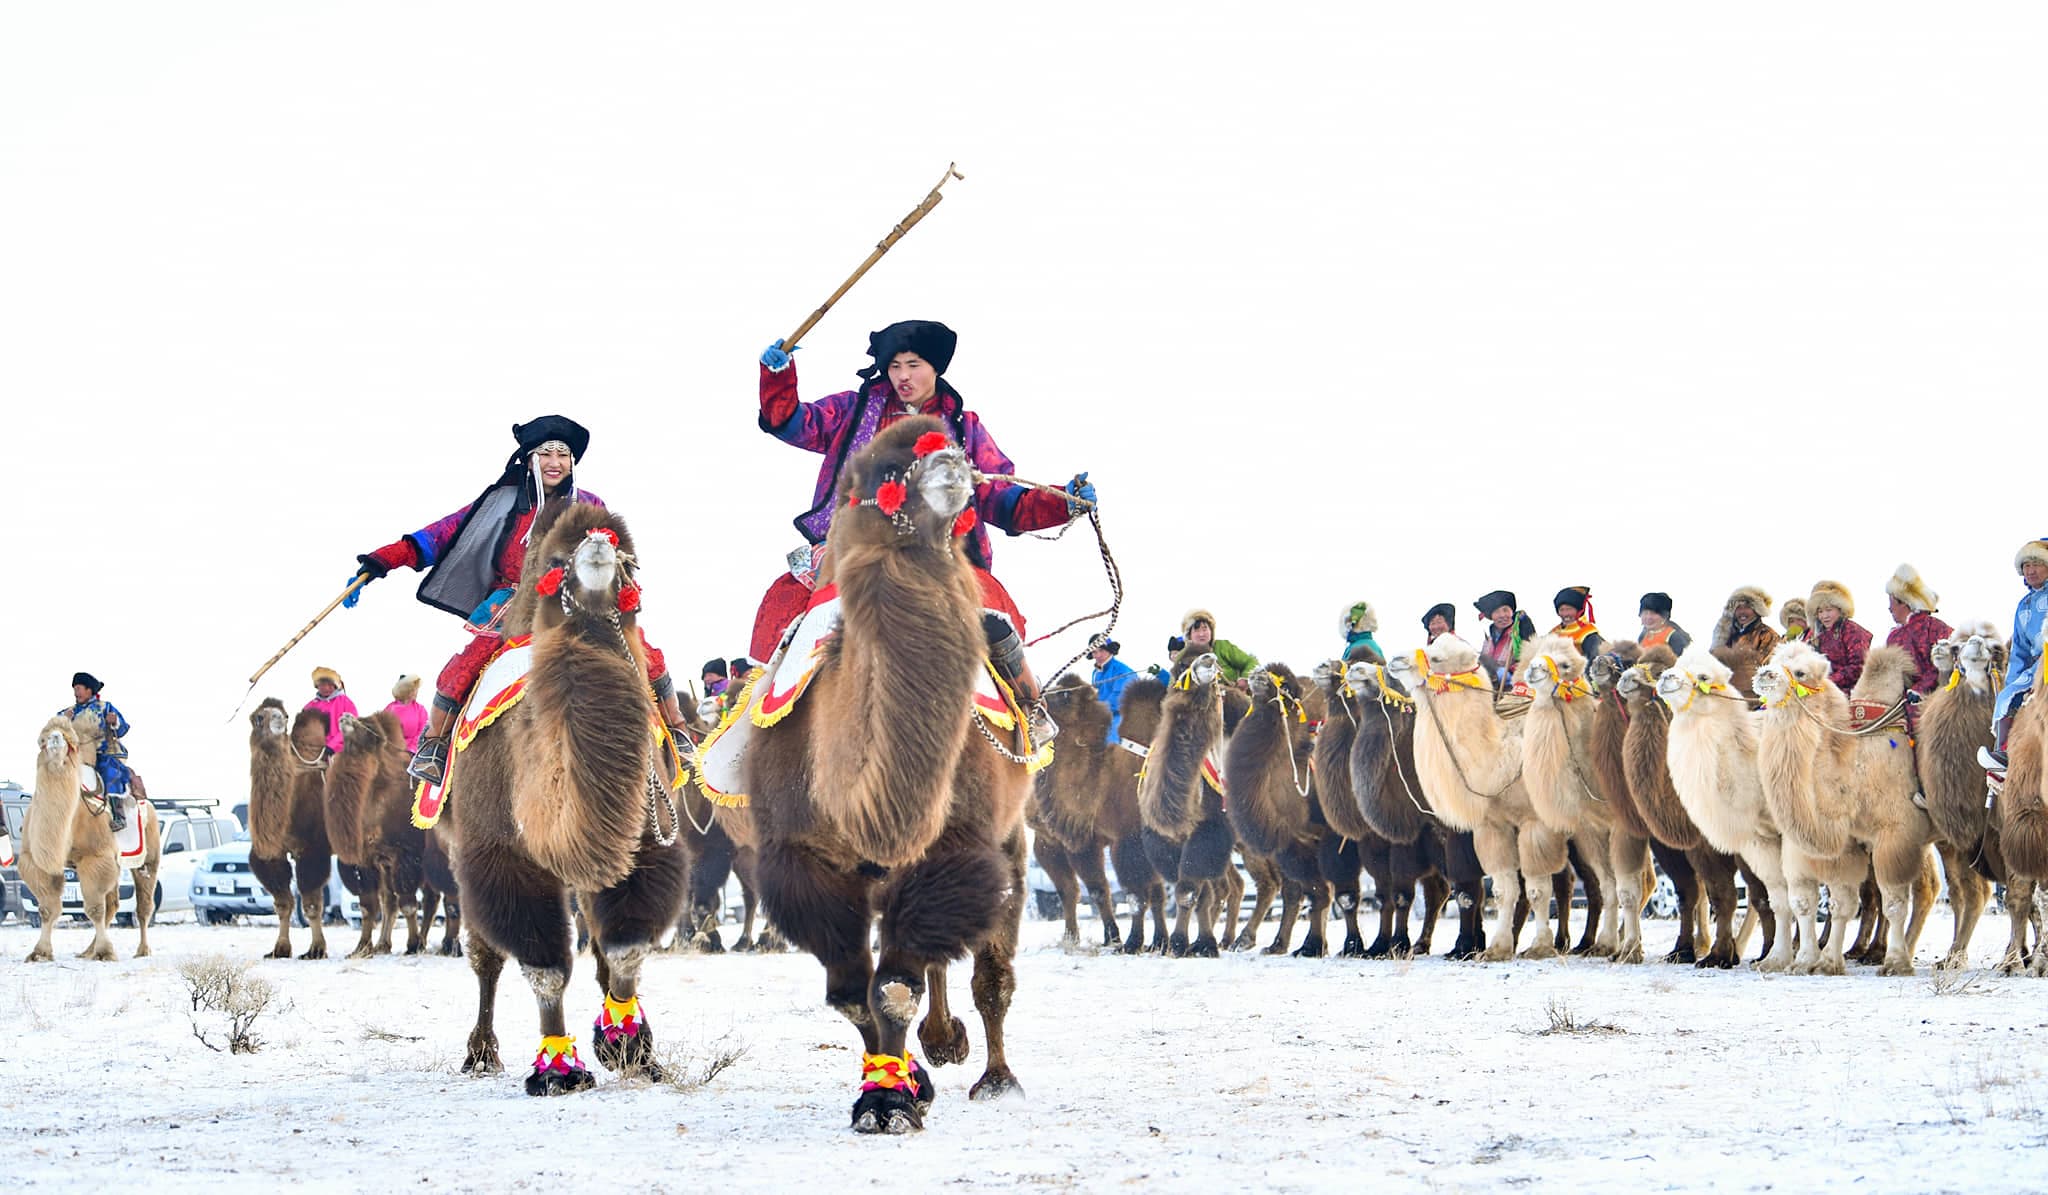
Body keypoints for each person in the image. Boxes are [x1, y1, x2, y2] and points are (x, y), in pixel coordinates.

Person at [755, 320, 1095, 741]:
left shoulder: (964, 428)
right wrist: (778, 376)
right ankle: (758, 723)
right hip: (849, 544)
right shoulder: (853, 411)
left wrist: (1063, 502)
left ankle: (1027, 704)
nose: (902, 376)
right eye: (894, 366)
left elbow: (1004, 499)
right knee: (785, 604)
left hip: (939, 551)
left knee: (991, 611)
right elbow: (789, 420)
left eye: (912, 365)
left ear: (934, 368)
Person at [345, 416, 686, 785]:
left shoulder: (589, 505)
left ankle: (677, 731)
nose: (555, 462)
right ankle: (434, 746)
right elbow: (441, 535)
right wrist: (383, 560)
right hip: (511, 604)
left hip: (578, 602)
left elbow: (613, 553)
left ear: (572, 463)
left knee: (645, 652)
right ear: (530, 458)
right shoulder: (503, 502)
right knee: (465, 666)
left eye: (563, 454)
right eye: (546, 453)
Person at [1989, 537, 2048, 767]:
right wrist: (2012, 682)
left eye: (2036, 563)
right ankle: (2003, 753)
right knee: (2007, 697)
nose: (2031, 570)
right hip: (2033, 666)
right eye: (2026, 565)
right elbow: (2020, 651)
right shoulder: (2023, 606)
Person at [60, 672, 133, 832]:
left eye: (78, 688)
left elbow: (123, 729)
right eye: (74, 689)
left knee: (110, 773)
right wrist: (63, 721)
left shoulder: (105, 707)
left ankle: (117, 815)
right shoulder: (68, 712)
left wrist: (115, 721)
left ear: (89, 690)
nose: (75, 692)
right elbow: (53, 732)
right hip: (75, 757)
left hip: (102, 754)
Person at [1882, 564, 1952, 697]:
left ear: (1903, 602)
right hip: (1898, 701)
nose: (1889, 609)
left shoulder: (1936, 628)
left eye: (1891, 602)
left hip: (1934, 700)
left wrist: (1919, 690)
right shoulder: (1893, 637)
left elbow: (1942, 665)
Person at [1807, 580, 1872, 692]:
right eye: (1820, 611)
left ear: (1840, 609)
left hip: (1851, 691)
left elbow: (1858, 666)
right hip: (1821, 690)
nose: (1824, 616)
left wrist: (1828, 682)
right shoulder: (1815, 636)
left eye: (1829, 610)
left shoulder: (1852, 631)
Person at [1168, 609, 1259, 683]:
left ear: (1211, 631)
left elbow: (1250, 662)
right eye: (1196, 630)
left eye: (1205, 629)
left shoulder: (1222, 646)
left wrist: (1244, 680)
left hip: (1231, 699)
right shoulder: (1183, 658)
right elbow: (1173, 685)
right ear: (1189, 635)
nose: (1201, 634)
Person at [1474, 590, 1537, 691]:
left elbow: (1530, 659)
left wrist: (1510, 673)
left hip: (1515, 687)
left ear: (1512, 612)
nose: (1502, 615)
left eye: (1505, 610)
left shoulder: (1519, 633)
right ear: (1491, 616)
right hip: (1490, 687)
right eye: (1497, 612)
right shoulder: (1489, 639)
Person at [1088, 633, 1138, 742]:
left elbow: (1119, 699)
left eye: (1101, 651)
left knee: (1109, 736)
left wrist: (1097, 709)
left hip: (1121, 715)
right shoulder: (1096, 672)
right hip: (1102, 713)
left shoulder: (1122, 671)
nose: (1097, 655)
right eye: (1094, 652)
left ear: (1110, 650)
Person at [1712, 585, 1781, 662]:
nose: (1742, 612)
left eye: (1747, 607)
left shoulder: (1767, 635)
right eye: (1738, 607)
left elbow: (1767, 666)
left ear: (1757, 610)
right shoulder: (1726, 635)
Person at [305, 667, 359, 757]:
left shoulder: (346, 703)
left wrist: (332, 746)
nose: (325, 688)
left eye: (329, 684)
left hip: (340, 752)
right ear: (317, 686)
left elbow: (351, 727)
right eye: (322, 685)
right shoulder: (310, 706)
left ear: (334, 686)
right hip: (312, 751)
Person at [1549, 586, 1604, 656]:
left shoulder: (1588, 632)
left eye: (1569, 609)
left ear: (1579, 610)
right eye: (1561, 610)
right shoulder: (1554, 632)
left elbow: (1593, 660)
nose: (1565, 614)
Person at [386, 675, 430, 753]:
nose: (416, 692)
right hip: (392, 750)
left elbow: (423, 731)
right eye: (413, 690)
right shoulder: (390, 708)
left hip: (412, 751)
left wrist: (410, 748)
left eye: (416, 689)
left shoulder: (420, 709)